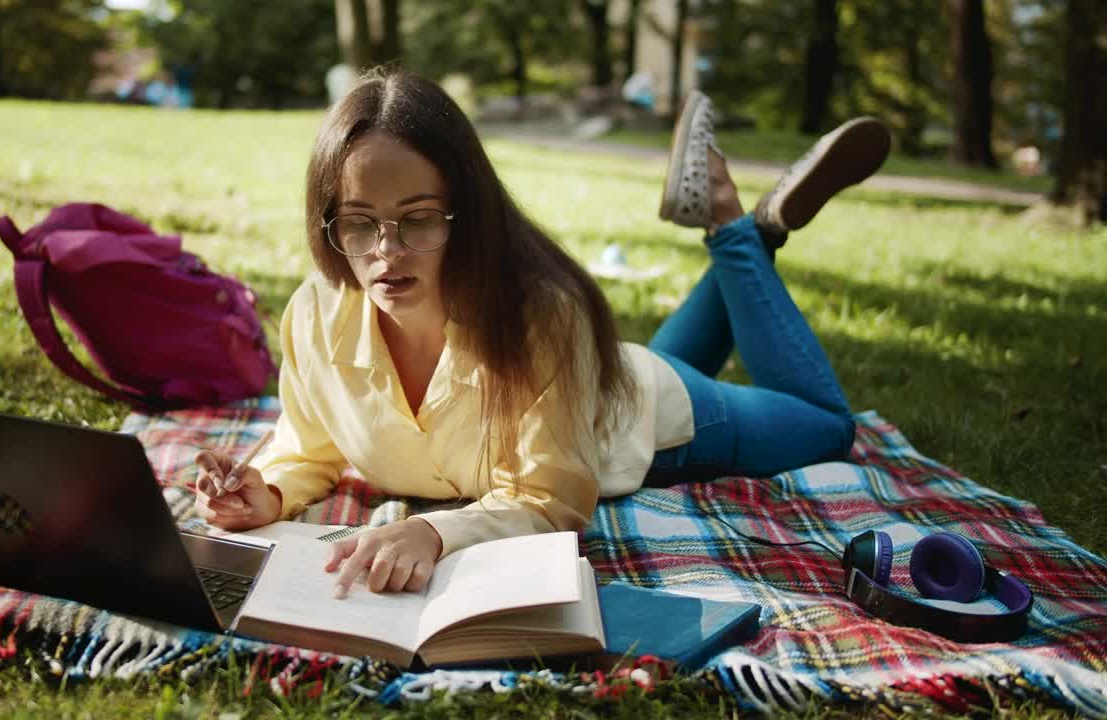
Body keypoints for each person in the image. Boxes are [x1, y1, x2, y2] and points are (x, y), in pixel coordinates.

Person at [192, 70, 891, 599]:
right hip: (593, 376)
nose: (386, 252)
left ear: (469, 212)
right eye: (358, 222)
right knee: (646, 358)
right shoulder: (317, 312)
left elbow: (549, 499)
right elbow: (307, 443)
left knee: (827, 426)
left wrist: (435, 530)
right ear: (328, 221)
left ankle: (736, 229)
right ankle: (751, 235)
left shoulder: (543, 316)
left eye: (421, 218)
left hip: (653, 414)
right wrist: (268, 491)